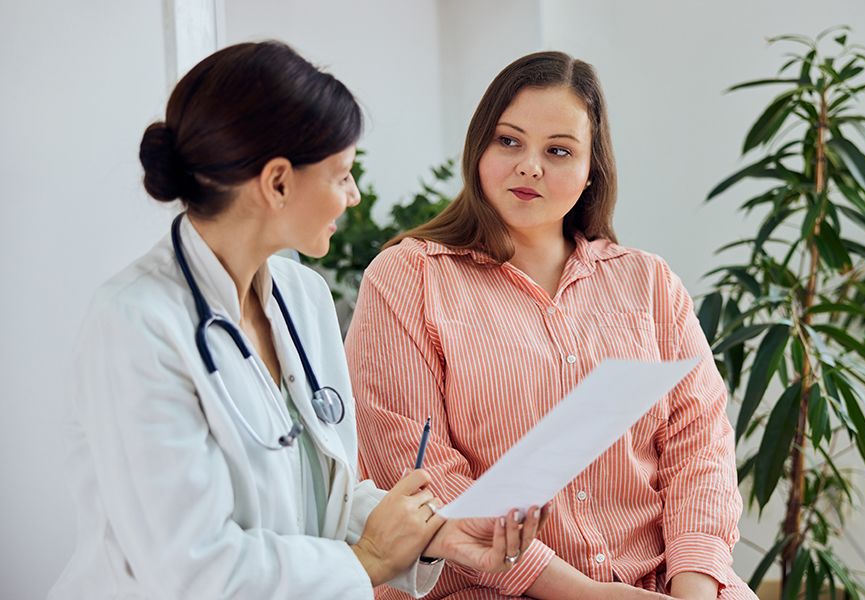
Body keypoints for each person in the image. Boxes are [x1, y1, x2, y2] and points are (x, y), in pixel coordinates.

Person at [49, 41, 548, 600]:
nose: (354, 196)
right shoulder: (135, 325)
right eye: (341, 175)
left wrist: (437, 533)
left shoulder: (301, 298)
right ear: (278, 182)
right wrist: (366, 561)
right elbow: (191, 568)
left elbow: (315, 495)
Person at [345, 51, 757, 600]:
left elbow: (699, 447)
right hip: (485, 588)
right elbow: (420, 473)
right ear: (478, 148)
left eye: (558, 150)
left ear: (591, 171)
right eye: (509, 141)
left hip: (663, 583)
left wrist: (695, 588)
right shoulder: (408, 278)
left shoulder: (650, 283)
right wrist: (587, 593)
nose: (529, 166)